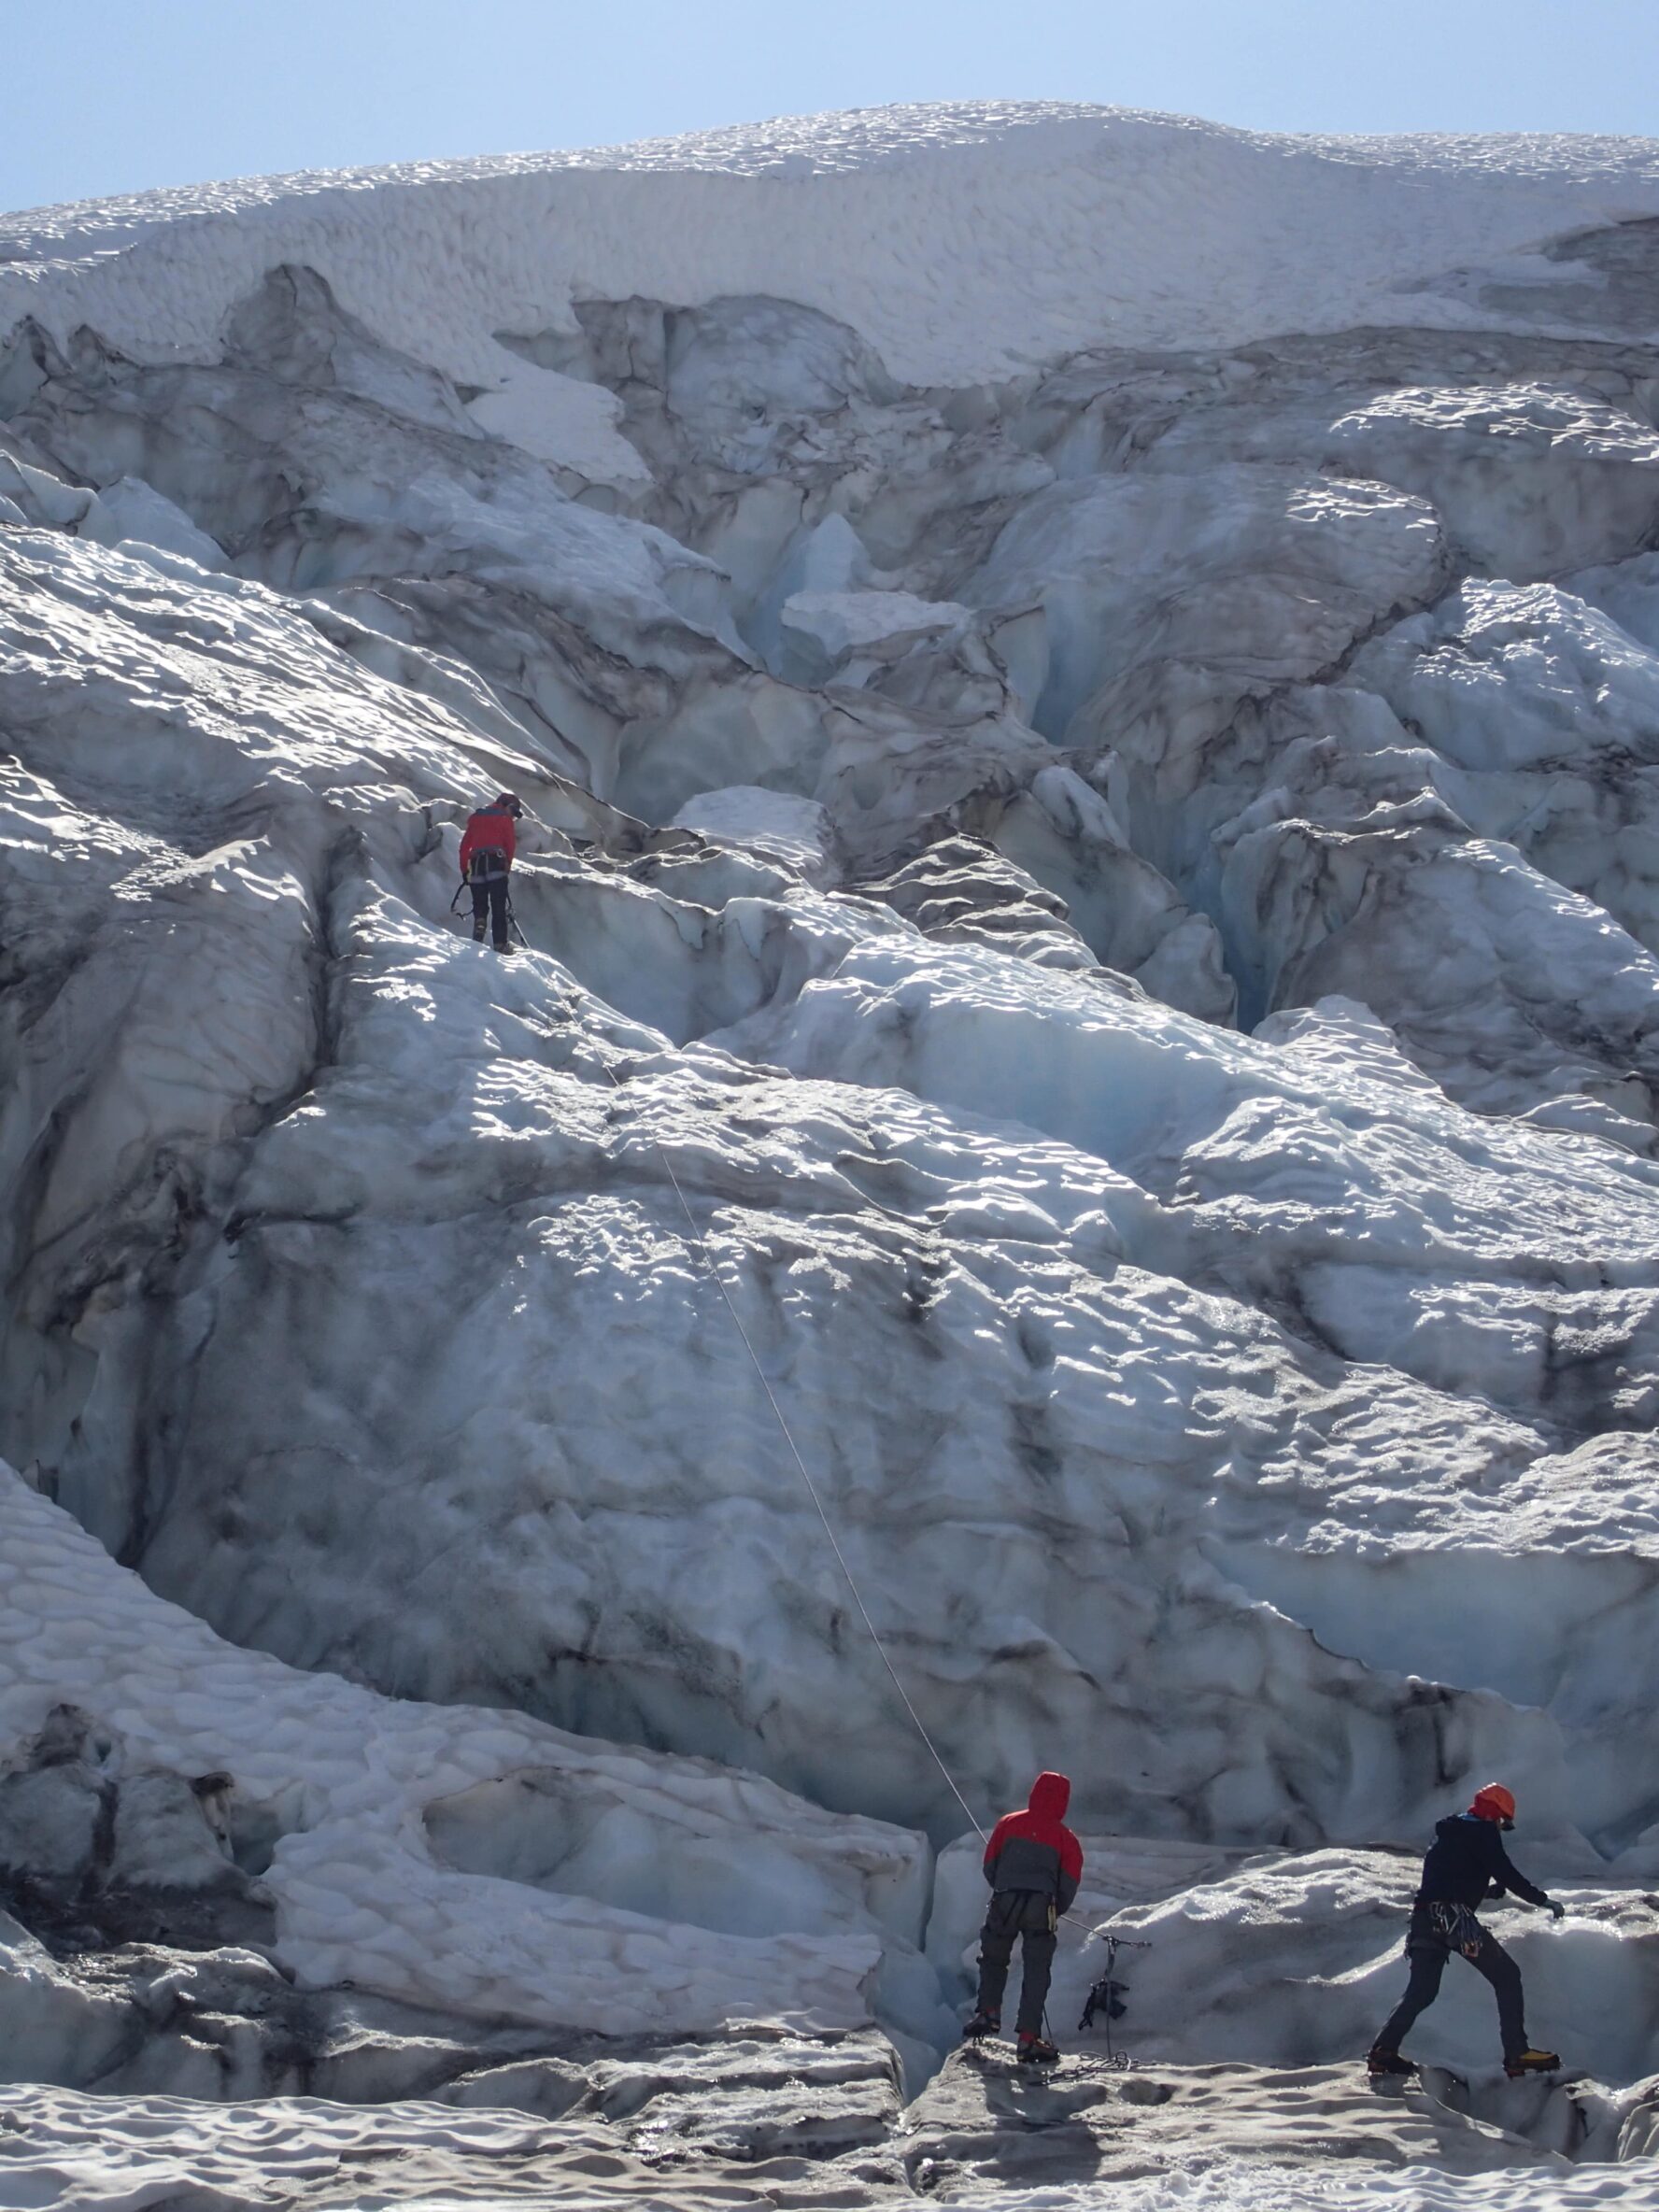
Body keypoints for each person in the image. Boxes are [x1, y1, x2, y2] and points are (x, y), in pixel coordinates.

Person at [1368, 1783, 1566, 2081]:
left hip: (1424, 1919)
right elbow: (1506, 1871)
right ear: (1495, 1814)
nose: (1501, 1828)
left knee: (1421, 1992)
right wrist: (1542, 1900)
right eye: (1502, 1822)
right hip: (1454, 1919)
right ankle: (1517, 2053)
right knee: (1507, 1976)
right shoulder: (1483, 1831)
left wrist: (1485, 1892)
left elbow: (1445, 1881)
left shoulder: (1448, 1833)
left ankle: (1383, 2052)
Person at [963, 1770, 1083, 2065]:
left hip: (1005, 1898)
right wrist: (1056, 1908)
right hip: (1041, 1905)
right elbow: (1069, 1881)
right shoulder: (1065, 1838)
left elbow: (990, 1863)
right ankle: (1028, 2039)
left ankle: (988, 2012)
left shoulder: (1009, 1823)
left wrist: (1004, 1886)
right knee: (1036, 1971)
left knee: (993, 1957)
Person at [459, 793, 523, 952]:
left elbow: (465, 846)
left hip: (476, 864)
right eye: (513, 812)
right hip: (496, 863)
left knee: (480, 904)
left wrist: (464, 870)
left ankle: (480, 926)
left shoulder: (476, 817)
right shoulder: (504, 819)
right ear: (508, 806)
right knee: (498, 906)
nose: (513, 817)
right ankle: (500, 944)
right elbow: (510, 845)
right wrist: (507, 865)